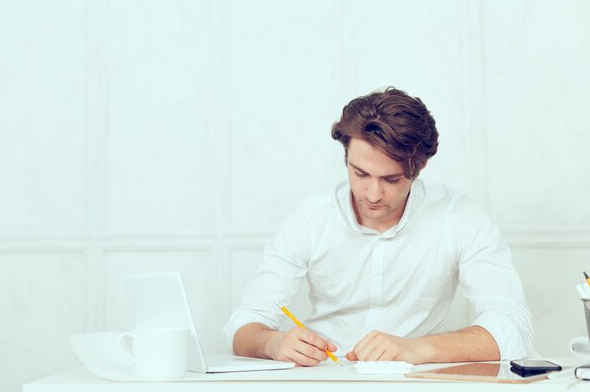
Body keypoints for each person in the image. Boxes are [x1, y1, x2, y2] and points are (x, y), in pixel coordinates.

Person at [221, 87, 533, 366]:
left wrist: (415, 350)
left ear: (420, 167)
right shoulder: (310, 219)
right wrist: (274, 343)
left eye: (391, 179)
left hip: (415, 386)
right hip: (326, 382)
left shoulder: (460, 217)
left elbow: (513, 328)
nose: (372, 194)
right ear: (346, 158)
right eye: (360, 173)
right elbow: (242, 326)